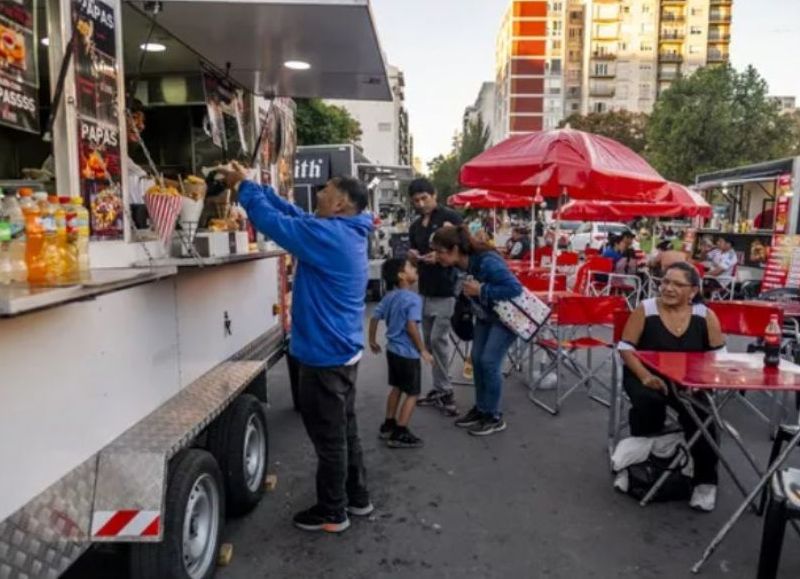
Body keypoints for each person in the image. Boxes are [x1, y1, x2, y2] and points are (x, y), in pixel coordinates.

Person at [225, 163, 373, 533]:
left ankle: (332, 511)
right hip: (341, 351)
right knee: (344, 430)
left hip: (325, 357)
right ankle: (356, 497)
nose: (319, 192)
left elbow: (278, 225)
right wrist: (257, 185)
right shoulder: (343, 230)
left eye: (327, 190)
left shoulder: (330, 236)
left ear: (340, 204)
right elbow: (294, 215)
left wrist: (244, 188)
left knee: (329, 439)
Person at [619, 262, 726, 511]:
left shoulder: (705, 316)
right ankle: (642, 465)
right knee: (648, 402)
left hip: (689, 380)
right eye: (665, 281)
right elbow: (626, 348)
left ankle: (705, 481)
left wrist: (700, 382)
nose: (668, 288)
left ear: (692, 291)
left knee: (702, 415)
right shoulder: (645, 310)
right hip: (645, 374)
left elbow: (718, 356)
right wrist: (645, 376)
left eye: (677, 284)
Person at [430, 226, 523, 436]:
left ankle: (494, 416)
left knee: (489, 362)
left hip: (504, 318)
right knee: (477, 359)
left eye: (440, 252)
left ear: (454, 249)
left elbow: (514, 288)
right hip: (484, 316)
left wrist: (482, 290)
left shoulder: (487, 261)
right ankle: (482, 409)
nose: (438, 256)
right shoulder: (460, 265)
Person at [407, 178, 463, 414]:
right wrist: (413, 256)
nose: (421, 204)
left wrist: (439, 258)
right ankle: (440, 388)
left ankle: (446, 390)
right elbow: (413, 253)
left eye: (424, 198)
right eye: (416, 200)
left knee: (439, 340)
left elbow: (462, 250)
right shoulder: (415, 226)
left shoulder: (450, 218)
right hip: (426, 288)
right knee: (429, 341)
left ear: (434, 195)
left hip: (447, 287)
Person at [368, 259, 433, 449]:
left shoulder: (389, 297)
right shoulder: (413, 299)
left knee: (397, 387)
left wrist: (372, 340)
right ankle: (400, 431)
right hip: (408, 354)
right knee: (413, 393)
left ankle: (388, 424)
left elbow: (374, 317)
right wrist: (423, 350)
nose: (415, 269)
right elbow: (411, 326)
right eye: (411, 267)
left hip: (392, 351)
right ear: (401, 275)